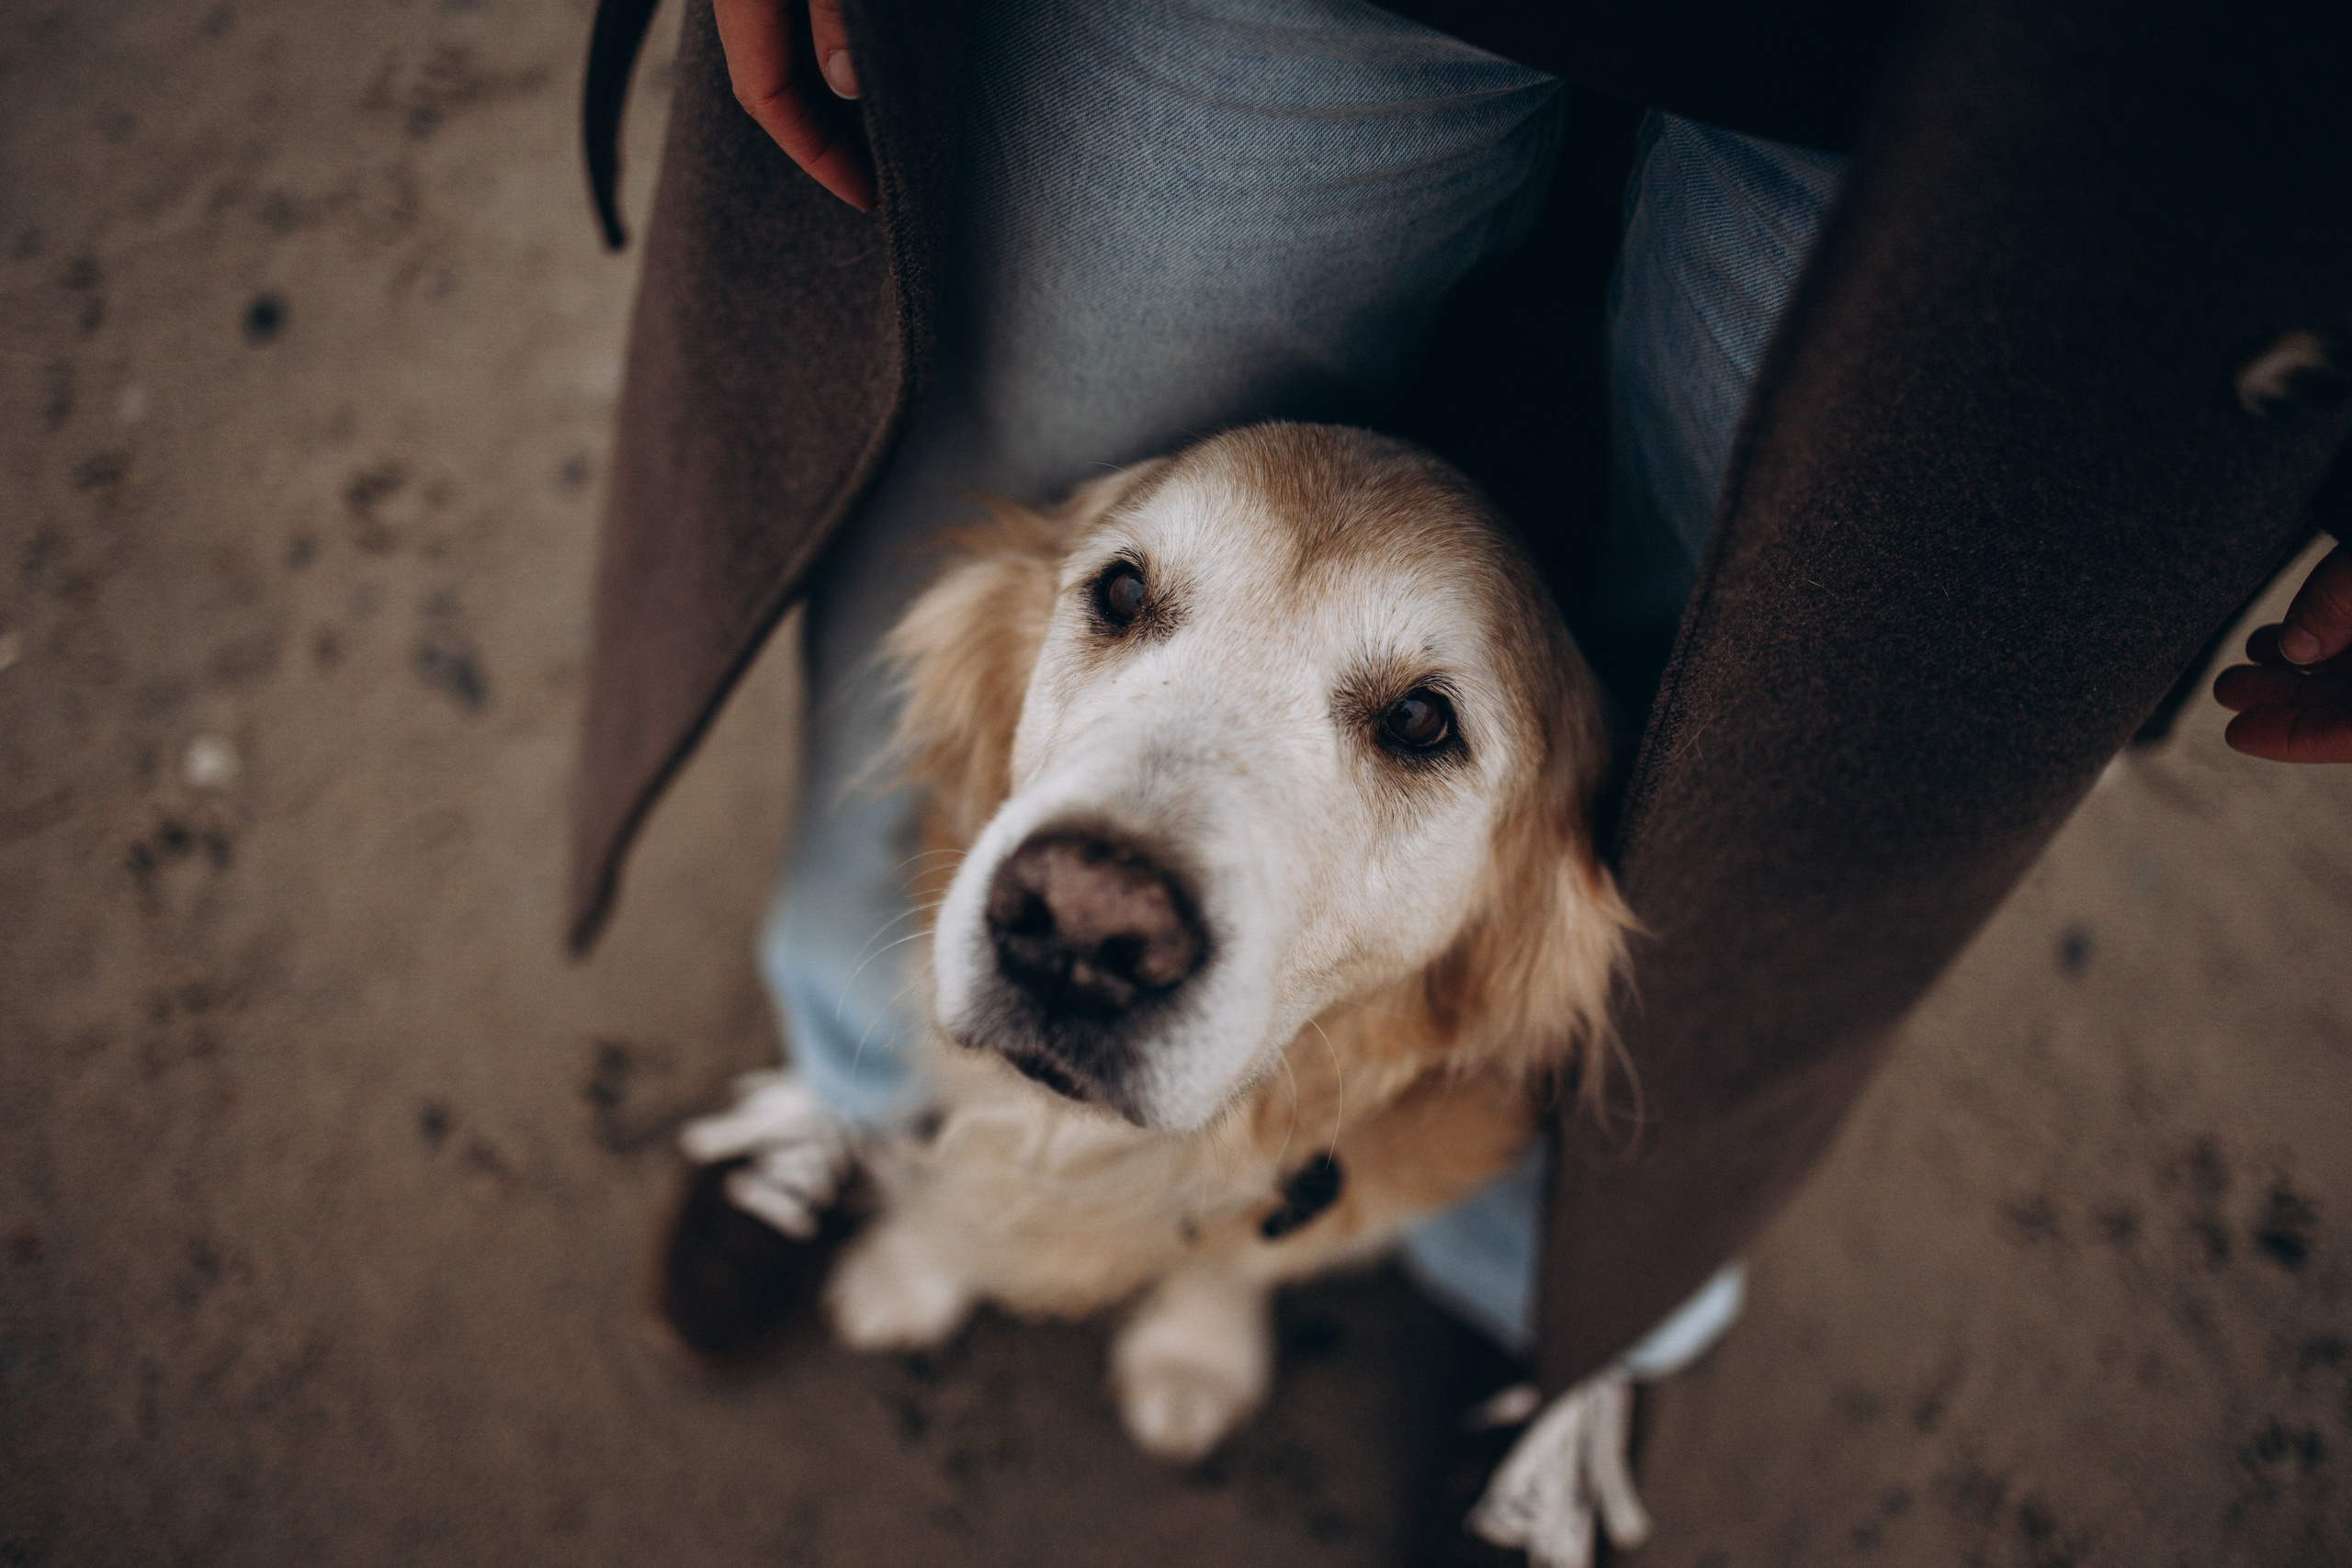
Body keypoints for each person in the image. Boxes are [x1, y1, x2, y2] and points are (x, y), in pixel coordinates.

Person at [573, 1, 2352, 1560]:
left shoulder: (1527, 955)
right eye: (1124, 598)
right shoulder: (993, 679)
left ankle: (1556, 1311)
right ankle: (861, 1074)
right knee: (997, 423)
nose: (1105, 880)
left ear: (1516, 926)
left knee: (1778, 805)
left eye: (1416, 726)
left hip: (2049, 75)